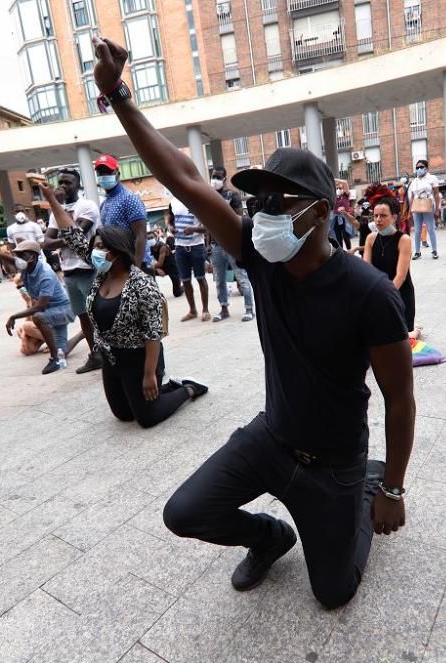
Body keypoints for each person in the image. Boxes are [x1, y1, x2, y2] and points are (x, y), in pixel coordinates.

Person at [91, 35, 415, 608]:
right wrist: (118, 94)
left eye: (279, 200)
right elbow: (184, 180)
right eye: (258, 199)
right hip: (274, 438)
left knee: (334, 592)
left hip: (336, 464)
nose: (262, 211)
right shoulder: (260, 256)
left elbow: (399, 399)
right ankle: (270, 536)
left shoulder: (368, 294)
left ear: (320, 210)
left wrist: (391, 488)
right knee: (185, 512)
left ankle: (364, 485)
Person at [83, 223, 207, 427]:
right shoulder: (101, 278)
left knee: (148, 418)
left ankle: (188, 388)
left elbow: (153, 333)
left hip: (138, 358)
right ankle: (165, 388)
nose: (97, 252)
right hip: (111, 358)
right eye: (95, 246)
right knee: (123, 415)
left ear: (118, 249)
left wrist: (149, 375)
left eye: (103, 247)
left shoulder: (142, 284)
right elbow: (73, 237)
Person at [0, 223, 74, 374]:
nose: (17, 258)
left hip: (62, 310)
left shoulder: (45, 275)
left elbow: (40, 306)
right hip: (51, 310)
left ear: (32, 256)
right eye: (17, 255)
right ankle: (79, 337)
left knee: (38, 317)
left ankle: (54, 358)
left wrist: (13, 316)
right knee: (62, 350)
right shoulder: (25, 265)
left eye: (21, 255)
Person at [44, 168, 103, 374]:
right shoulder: (56, 212)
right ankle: (96, 355)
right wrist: (67, 238)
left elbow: (77, 235)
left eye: (68, 183)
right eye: (60, 182)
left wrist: (65, 238)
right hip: (69, 272)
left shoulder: (87, 206)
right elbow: (47, 242)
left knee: (99, 314)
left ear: (78, 185)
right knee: (83, 316)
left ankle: (110, 353)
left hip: (88, 268)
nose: (62, 186)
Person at [362, 185, 415, 333]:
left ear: (394, 217)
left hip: (399, 293)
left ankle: (415, 331)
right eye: (376, 216)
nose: (378, 219)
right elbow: (366, 271)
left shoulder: (403, 239)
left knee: (403, 337)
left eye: (383, 216)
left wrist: (385, 296)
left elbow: (401, 275)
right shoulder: (371, 239)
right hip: (378, 295)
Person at [209, 167, 256, 323]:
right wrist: (208, 243)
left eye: (217, 177)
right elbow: (208, 221)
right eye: (213, 176)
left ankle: (249, 309)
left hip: (231, 242)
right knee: (219, 280)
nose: (214, 179)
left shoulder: (232, 195)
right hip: (216, 244)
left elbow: (240, 218)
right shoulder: (210, 196)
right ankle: (224, 309)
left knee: (241, 276)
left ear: (224, 179)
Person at [95, 154, 151, 268]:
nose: (104, 175)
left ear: (117, 174)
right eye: (101, 173)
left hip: (135, 263)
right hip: (119, 264)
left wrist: (136, 268)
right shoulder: (104, 204)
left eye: (108, 172)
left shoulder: (129, 199)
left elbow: (141, 236)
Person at [168, 197, 212, 322]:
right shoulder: (173, 202)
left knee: (200, 278)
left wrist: (194, 229)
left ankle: (205, 310)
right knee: (186, 281)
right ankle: (192, 310)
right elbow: (170, 221)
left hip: (196, 246)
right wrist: (171, 228)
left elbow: (208, 227)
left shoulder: (196, 200)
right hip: (180, 248)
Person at [150, 229, 183, 297]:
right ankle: (153, 292)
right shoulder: (150, 248)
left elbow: (159, 263)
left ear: (156, 238)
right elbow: (150, 260)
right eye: (148, 238)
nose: (150, 240)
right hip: (161, 267)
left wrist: (156, 267)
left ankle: (184, 286)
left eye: (151, 238)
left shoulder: (162, 247)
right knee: (147, 271)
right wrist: (157, 269)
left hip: (172, 268)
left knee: (177, 293)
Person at [332, 187, 356, 251]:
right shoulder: (333, 197)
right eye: (337, 188)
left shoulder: (346, 196)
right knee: (338, 237)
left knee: (346, 237)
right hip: (335, 218)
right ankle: (341, 252)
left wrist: (337, 181)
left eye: (340, 188)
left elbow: (345, 184)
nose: (338, 190)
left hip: (344, 218)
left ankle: (349, 251)